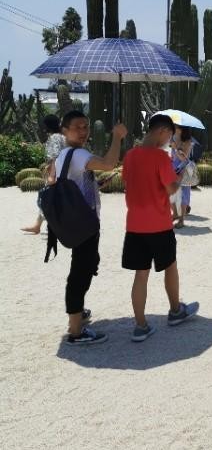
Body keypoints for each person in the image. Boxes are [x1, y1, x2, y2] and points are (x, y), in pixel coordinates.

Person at [121, 114, 199, 342]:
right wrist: (181, 173)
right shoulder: (160, 157)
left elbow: (129, 181)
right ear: (162, 131)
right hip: (159, 224)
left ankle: (140, 326)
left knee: (140, 275)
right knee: (170, 266)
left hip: (135, 224)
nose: (169, 141)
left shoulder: (130, 155)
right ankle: (175, 311)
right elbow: (170, 188)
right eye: (170, 136)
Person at [54, 110, 127, 345]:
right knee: (81, 272)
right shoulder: (79, 154)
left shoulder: (64, 154)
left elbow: (74, 182)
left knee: (85, 265)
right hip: (84, 224)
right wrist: (117, 137)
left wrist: (96, 183)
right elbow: (109, 163)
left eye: (85, 126)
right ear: (64, 130)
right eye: (77, 127)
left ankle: (78, 312)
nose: (83, 131)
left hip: (77, 222)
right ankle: (76, 330)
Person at [21, 114, 66, 234]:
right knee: (50, 198)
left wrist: (51, 172)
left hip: (56, 173)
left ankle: (46, 226)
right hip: (61, 172)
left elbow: (55, 156)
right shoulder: (62, 137)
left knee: (47, 198)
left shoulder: (55, 138)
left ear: (48, 125)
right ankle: (39, 225)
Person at [170, 125, 194, 228]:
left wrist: (175, 148)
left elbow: (184, 159)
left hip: (183, 170)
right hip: (173, 168)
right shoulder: (173, 138)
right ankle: (175, 213)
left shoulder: (188, 142)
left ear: (181, 129)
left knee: (183, 195)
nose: (173, 127)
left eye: (176, 126)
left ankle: (181, 220)